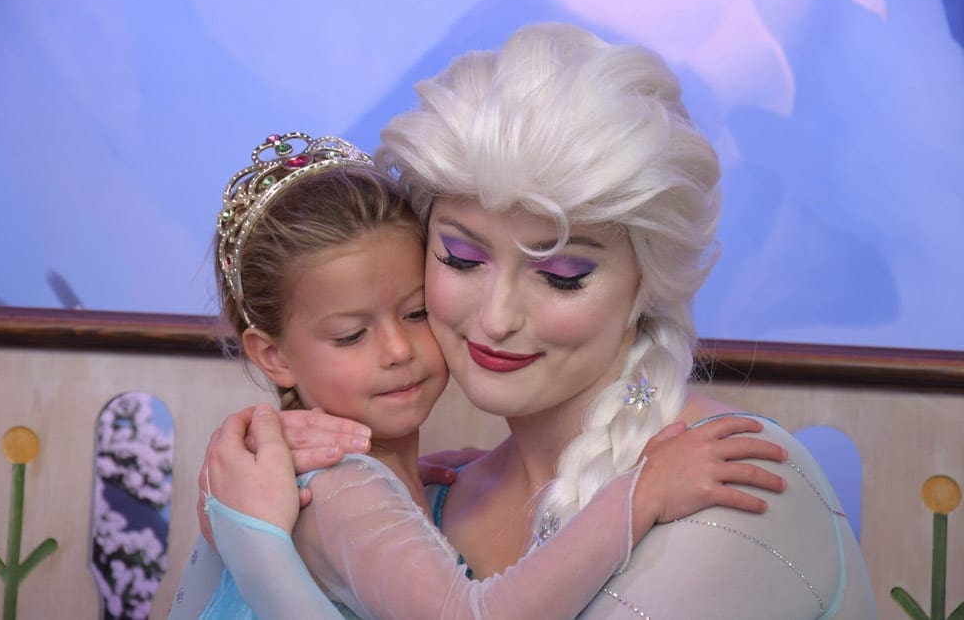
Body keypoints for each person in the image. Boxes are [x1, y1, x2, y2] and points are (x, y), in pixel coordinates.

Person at [195, 23, 877, 617]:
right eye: (461, 259)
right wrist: (233, 518)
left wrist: (259, 549)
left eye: (561, 274)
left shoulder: (731, 474)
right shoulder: (436, 495)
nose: (496, 318)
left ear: (648, 280)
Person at [169, 130, 790, 619]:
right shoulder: (338, 487)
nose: (396, 351)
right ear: (272, 355)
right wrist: (643, 492)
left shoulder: (400, 478)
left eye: (416, 312)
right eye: (351, 335)